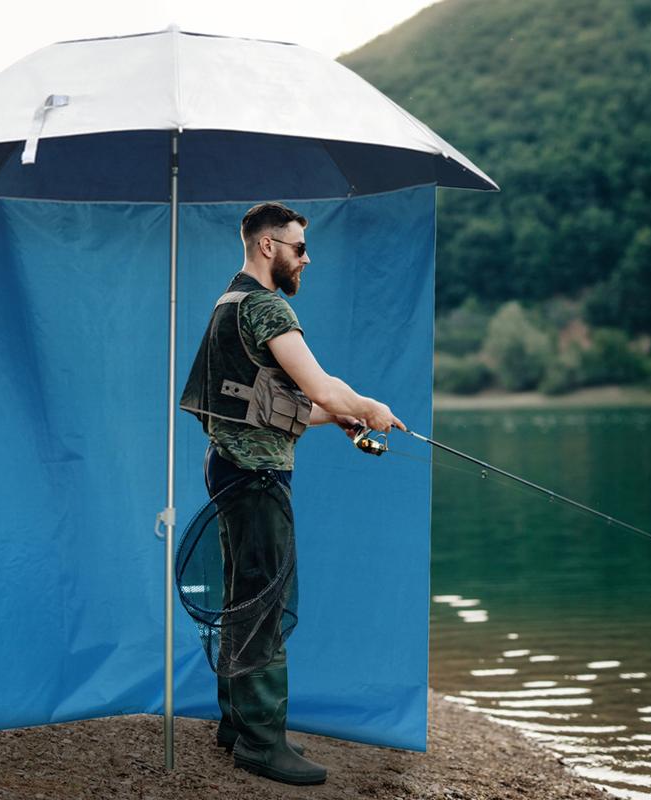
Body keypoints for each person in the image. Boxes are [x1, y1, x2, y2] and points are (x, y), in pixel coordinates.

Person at [179, 202, 405, 786]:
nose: (307, 258)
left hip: (230, 469)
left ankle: (237, 723)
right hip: (256, 479)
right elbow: (320, 387)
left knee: (240, 593)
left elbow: (277, 404)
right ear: (266, 246)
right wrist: (370, 409)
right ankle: (262, 743)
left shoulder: (228, 303)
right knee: (263, 601)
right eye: (299, 247)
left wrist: (343, 413)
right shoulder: (265, 306)